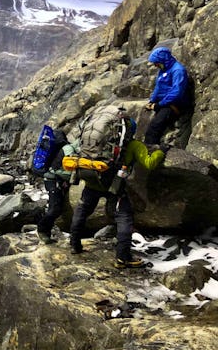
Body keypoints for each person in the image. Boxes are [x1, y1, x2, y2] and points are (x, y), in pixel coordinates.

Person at [69, 129, 166, 269]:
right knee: (124, 217)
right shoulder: (133, 145)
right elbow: (149, 163)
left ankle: (74, 245)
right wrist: (161, 150)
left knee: (82, 211)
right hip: (114, 186)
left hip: (92, 182)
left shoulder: (96, 142)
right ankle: (123, 257)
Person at [144, 47, 189, 145]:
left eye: (156, 63)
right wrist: (152, 101)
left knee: (154, 127)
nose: (155, 65)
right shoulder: (163, 69)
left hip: (174, 105)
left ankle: (150, 150)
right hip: (165, 103)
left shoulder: (178, 70)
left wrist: (159, 104)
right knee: (151, 126)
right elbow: (158, 87)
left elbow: (177, 92)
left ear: (163, 60)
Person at [37, 142, 76, 244]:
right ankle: (42, 231)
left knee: (56, 208)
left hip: (55, 179)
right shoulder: (69, 149)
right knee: (55, 209)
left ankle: (46, 234)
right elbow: (67, 169)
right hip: (53, 179)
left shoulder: (70, 148)